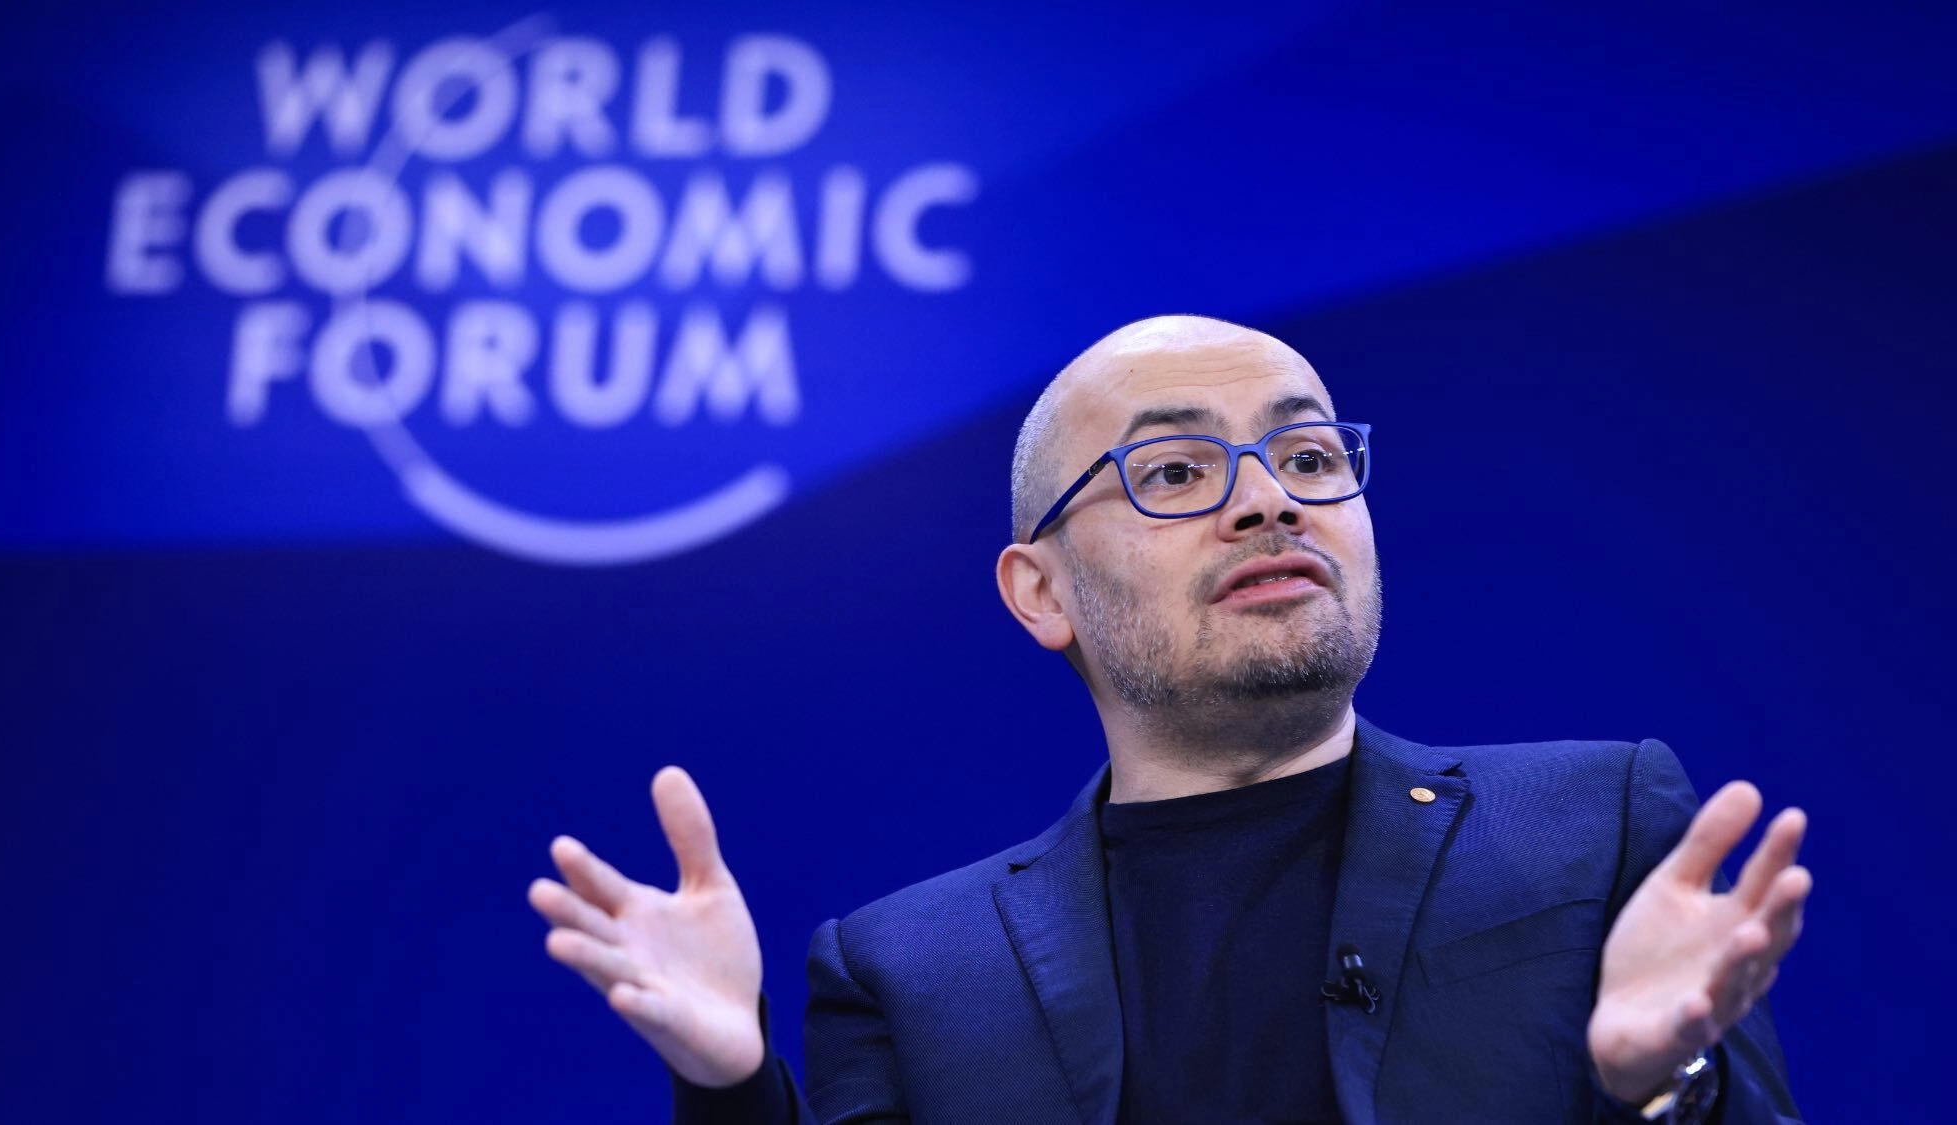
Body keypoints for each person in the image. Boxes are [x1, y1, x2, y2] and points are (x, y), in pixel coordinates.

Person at [526, 316, 1808, 1123]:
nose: (1268, 502)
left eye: (1309, 457)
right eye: (1177, 471)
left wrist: (1664, 1085)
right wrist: (727, 1087)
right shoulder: (907, 969)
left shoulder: (1590, 827)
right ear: (1040, 593)